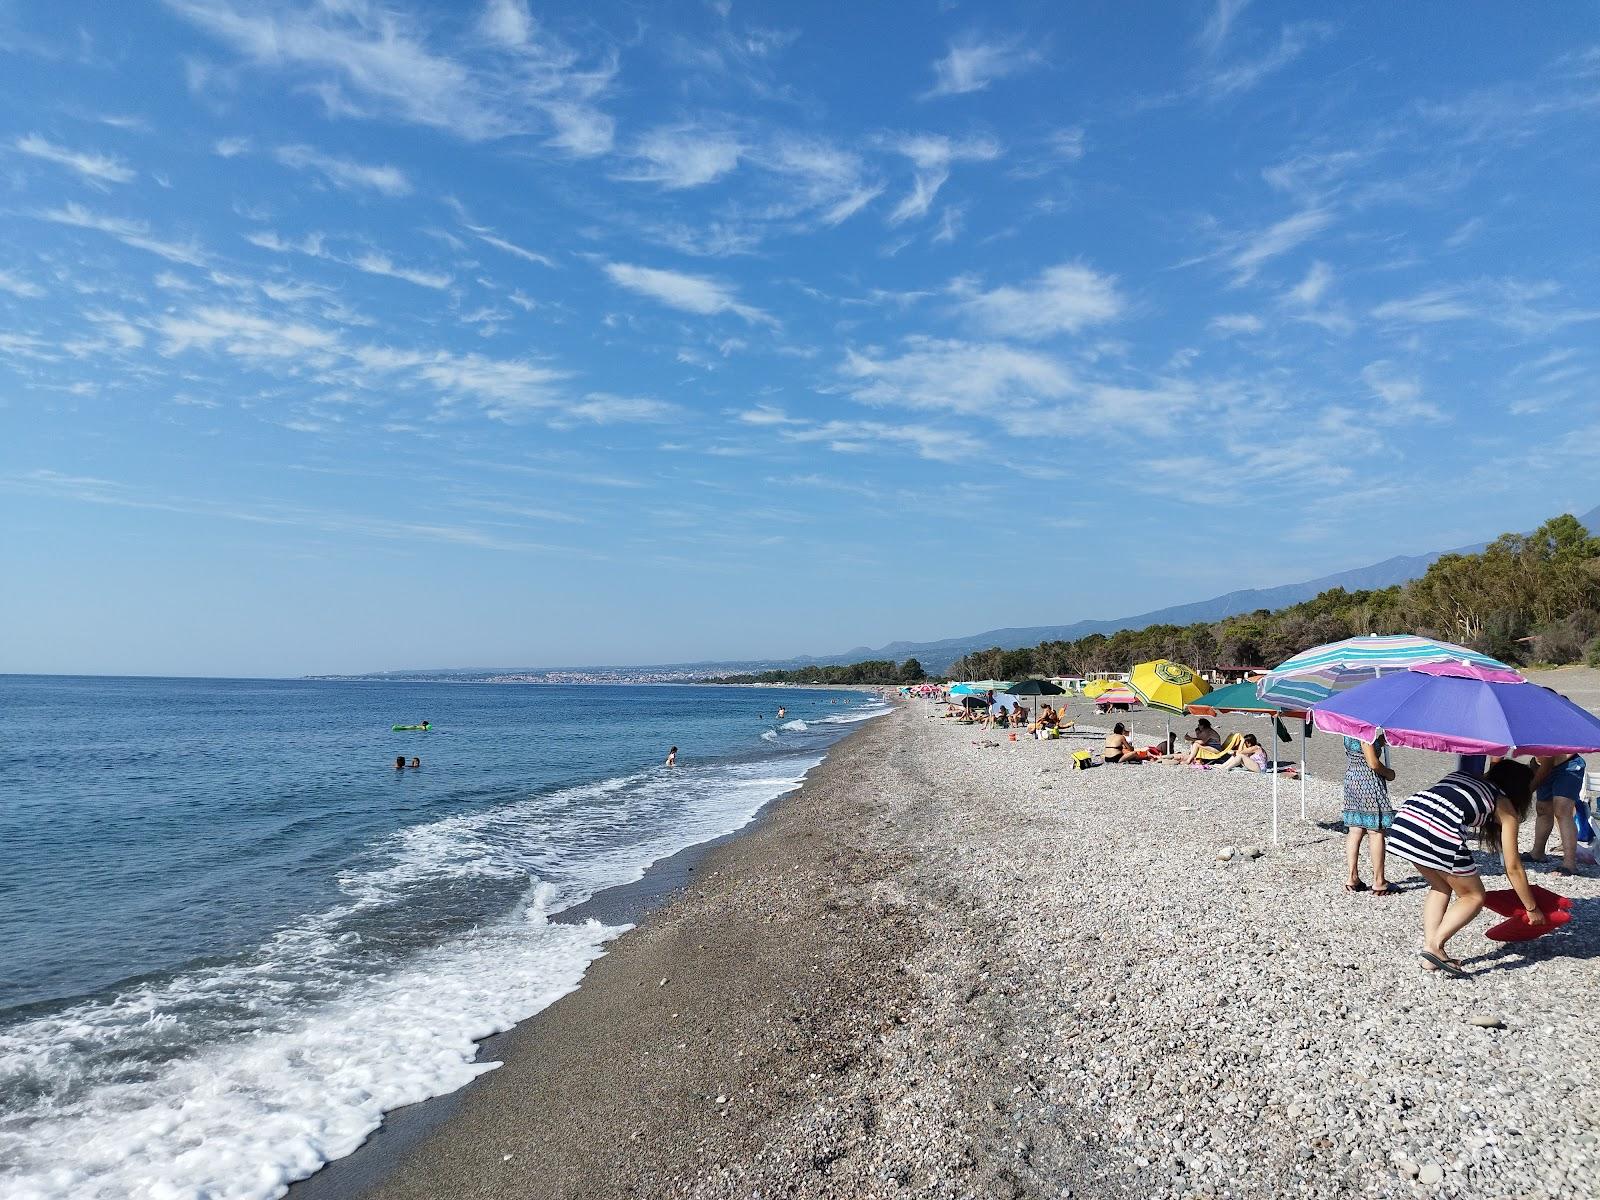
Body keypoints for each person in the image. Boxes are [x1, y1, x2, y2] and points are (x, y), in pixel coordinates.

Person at [1386, 759, 1542, 977]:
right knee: (1473, 896)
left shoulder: (1465, 776)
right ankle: (1434, 946)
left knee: (1440, 886)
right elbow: (1513, 867)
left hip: (1406, 819)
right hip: (1437, 827)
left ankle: (1432, 954)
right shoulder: (1504, 806)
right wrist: (1532, 908)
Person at [1342, 734, 1397, 896]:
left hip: (1352, 779)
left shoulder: (1348, 726)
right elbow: (1372, 763)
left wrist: (1379, 741)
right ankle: (1379, 882)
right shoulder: (1364, 729)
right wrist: (1389, 773)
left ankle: (1352, 878)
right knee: (1376, 831)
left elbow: (1359, 750)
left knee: (1355, 829)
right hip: (1368, 782)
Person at [1529, 753, 1584, 876]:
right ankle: (1537, 853)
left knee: (1562, 810)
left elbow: (1548, 761)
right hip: (1543, 764)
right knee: (1542, 808)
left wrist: (1528, 791)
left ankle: (1569, 864)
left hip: (1569, 764)